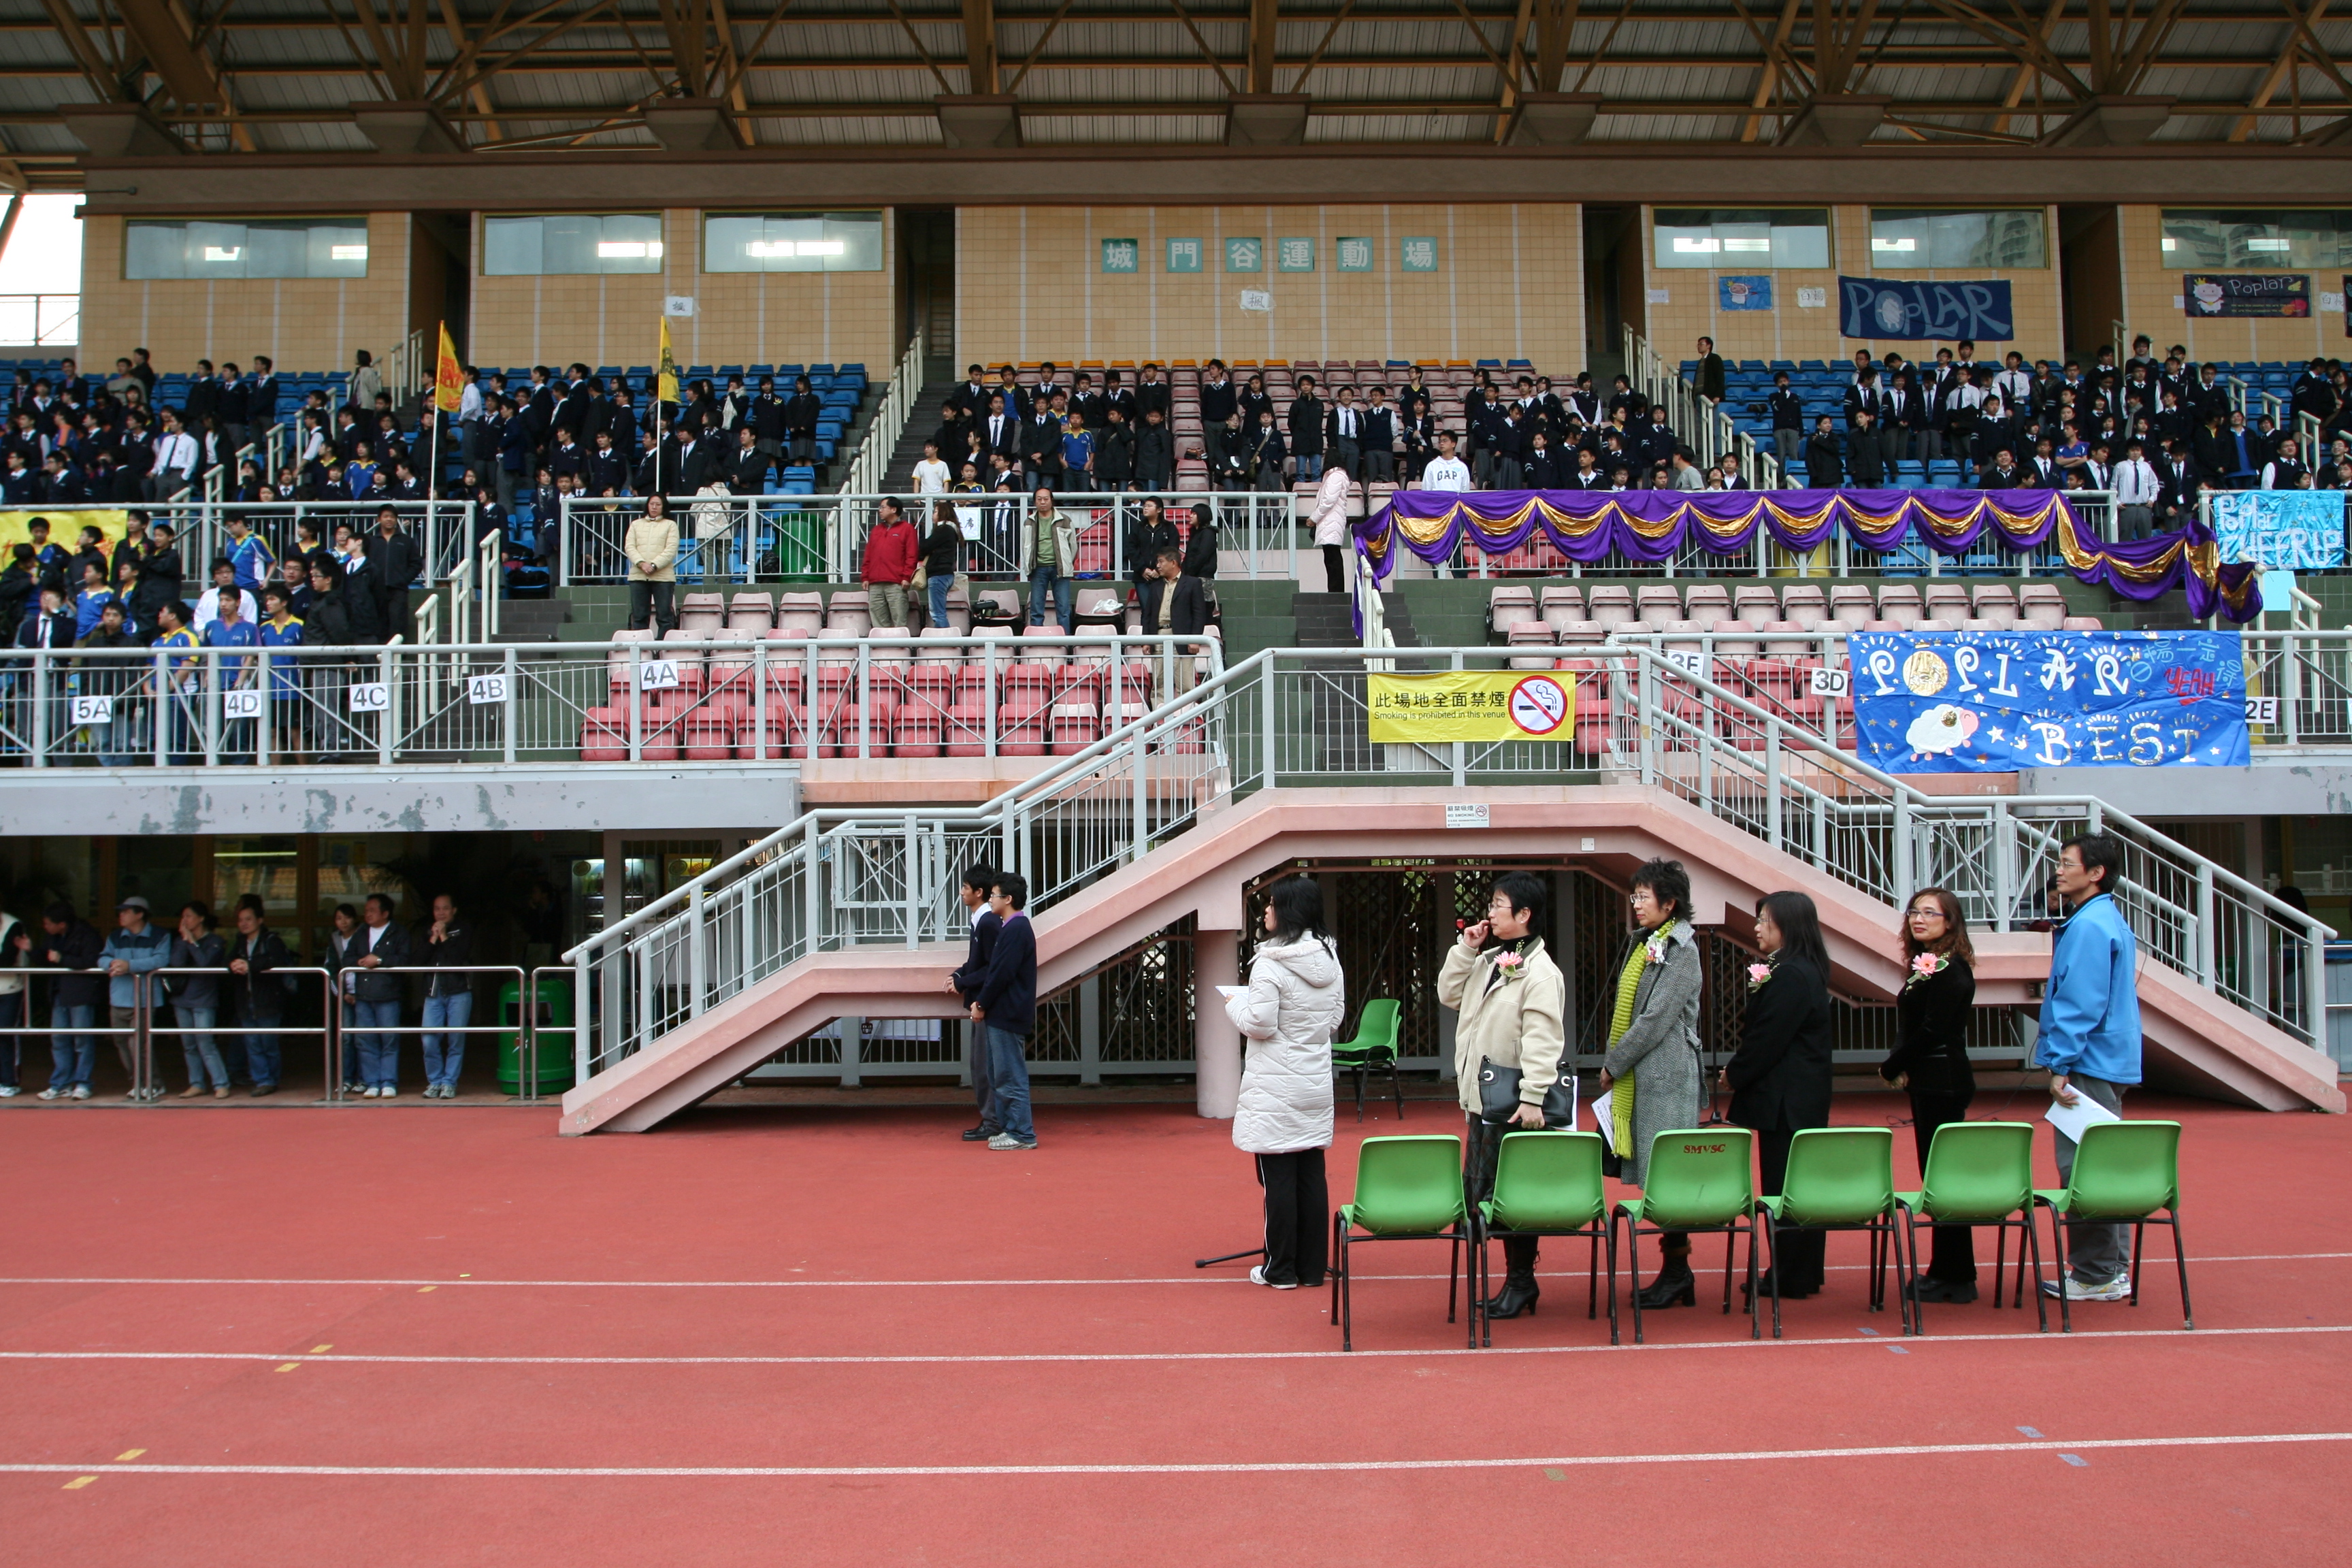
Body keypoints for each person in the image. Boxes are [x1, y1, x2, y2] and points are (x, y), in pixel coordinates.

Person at [1438, 870, 1569, 1320]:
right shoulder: (1491, 959)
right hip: (1485, 1098)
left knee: (1513, 1195)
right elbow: (1449, 994)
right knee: (1486, 1194)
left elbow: (1543, 1040)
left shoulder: (1541, 972)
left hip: (1515, 1103)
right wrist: (1466, 949)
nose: (1490, 913)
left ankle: (1521, 1280)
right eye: (1491, 904)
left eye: (1498, 905)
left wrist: (1533, 1096)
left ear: (1524, 914)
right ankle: (1516, 1281)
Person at [2036, 832, 2143, 1303]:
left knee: (2081, 1169)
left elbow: (2080, 1002)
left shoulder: (2088, 926)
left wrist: (2059, 1062)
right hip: (2107, 1058)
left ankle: (2096, 1273)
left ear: (2096, 873)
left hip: (2088, 1062)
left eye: (2067, 863)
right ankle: (2109, 1269)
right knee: (2102, 1166)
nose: (2058, 871)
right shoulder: (2105, 918)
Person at [1226, 875, 1344, 1290]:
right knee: (1311, 1174)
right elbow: (1334, 1019)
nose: (1266, 911)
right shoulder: (1330, 958)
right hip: (1314, 1080)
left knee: (1277, 1177)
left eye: (1272, 904)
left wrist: (1234, 1006)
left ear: (1288, 911)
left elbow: (1259, 1024)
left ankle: (1279, 1269)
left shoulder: (1270, 962)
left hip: (1275, 1084)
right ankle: (1311, 1268)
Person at [1599, 858, 1706, 1309]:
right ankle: (1676, 1271)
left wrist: (1614, 1064)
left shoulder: (1682, 949)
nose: (1637, 904)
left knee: (1668, 1177)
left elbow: (1655, 1019)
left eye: (1644, 897)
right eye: (1636, 896)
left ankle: (1678, 1271)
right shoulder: (1647, 942)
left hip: (1668, 1076)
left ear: (1670, 903)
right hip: (1647, 1076)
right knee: (1660, 1178)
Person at [1722, 891, 1834, 1301]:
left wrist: (1736, 1074)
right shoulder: (1803, 968)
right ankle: (1801, 1271)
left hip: (1788, 1100)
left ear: (1786, 925)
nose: (1757, 928)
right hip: (1801, 1096)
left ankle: (1790, 1274)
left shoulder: (1790, 974)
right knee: (1801, 1186)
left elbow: (1768, 1037)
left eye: (1764, 920)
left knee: (1784, 1188)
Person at [1880, 886, 1979, 1303]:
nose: (1918, 919)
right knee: (1937, 1177)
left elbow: (1933, 1030)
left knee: (1944, 1178)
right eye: (1913, 912)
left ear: (1950, 921)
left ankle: (1956, 1275)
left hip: (1944, 1079)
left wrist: (1893, 1064)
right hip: (1930, 1078)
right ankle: (1948, 1269)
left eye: (1930, 913)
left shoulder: (1950, 970)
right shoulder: (1930, 965)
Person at [968, 871, 1037, 1151]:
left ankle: (1022, 1133)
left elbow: (1001, 974)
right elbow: (998, 972)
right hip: (1003, 1013)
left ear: (1008, 899)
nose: (991, 899)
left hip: (1008, 1013)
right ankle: (1011, 1129)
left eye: (995, 895)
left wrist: (981, 1003)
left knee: (1010, 1076)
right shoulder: (1012, 927)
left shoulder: (1016, 929)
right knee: (1001, 1075)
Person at [946, 864, 1003, 1142]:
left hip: (985, 1004)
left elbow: (993, 967)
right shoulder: (982, 921)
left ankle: (993, 1121)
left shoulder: (988, 922)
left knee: (984, 1067)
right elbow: (977, 962)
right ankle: (991, 1119)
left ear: (979, 892)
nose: (961, 893)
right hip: (980, 1002)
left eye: (965, 888)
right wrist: (960, 976)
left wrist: (964, 982)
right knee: (980, 1065)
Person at [99, 894, 173, 1100]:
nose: (121, 915)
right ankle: (138, 1082)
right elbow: (102, 957)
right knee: (122, 1042)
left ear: (140, 914)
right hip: (118, 998)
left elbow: (161, 960)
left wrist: (129, 966)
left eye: (126, 911)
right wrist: (112, 964)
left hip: (145, 999)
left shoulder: (160, 935)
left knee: (139, 1045)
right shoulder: (115, 936)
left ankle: (154, 1084)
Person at [34, 902, 105, 1099]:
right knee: (59, 1039)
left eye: (48, 923)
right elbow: (46, 959)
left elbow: (92, 961)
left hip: (81, 994)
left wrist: (63, 959)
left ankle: (83, 1083)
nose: (45, 927)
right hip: (59, 993)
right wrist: (31, 950)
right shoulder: (53, 936)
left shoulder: (87, 935)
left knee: (82, 1040)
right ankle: (61, 1084)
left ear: (62, 924)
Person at [224, 898, 291, 1095]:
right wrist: (233, 965)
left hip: (268, 1000)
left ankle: (272, 1080)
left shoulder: (271, 940)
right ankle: (262, 1080)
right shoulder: (240, 942)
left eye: (248, 919)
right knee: (252, 1043)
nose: (244, 923)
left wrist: (250, 966)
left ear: (259, 920)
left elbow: (276, 961)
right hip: (246, 1001)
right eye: (240, 920)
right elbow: (227, 960)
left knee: (268, 1043)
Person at [348, 892, 412, 1097]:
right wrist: (359, 962)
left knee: (389, 1040)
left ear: (385, 913)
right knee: (365, 1040)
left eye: (372, 910)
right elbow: (347, 957)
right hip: (364, 997)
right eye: (366, 910)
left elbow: (405, 960)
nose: (367, 914)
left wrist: (380, 961)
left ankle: (388, 1083)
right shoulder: (361, 932)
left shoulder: (398, 932)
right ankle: (372, 1083)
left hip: (388, 996)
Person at [167, 900, 230, 1099]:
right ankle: (197, 1084)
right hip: (181, 1000)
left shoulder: (215, 941)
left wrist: (192, 942)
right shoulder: (180, 940)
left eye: (189, 916)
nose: (184, 920)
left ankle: (221, 1084)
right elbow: (176, 964)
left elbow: (204, 964)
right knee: (189, 1045)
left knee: (206, 1043)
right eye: (183, 917)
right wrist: (185, 940)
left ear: (201, 918)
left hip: (204, 1000)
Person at [417, 893, 474, 1099]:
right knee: (429, 1040)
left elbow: (458, 958)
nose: (441, 913)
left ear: (454, 910)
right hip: (434, 992)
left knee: (455, 1040)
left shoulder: (464, 929)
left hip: (459, 991)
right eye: (437, 909)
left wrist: (444, 937)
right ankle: (435, 1081)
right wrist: (433, 938)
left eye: (445, 908)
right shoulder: (428, 930)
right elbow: (418, 960)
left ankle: (449, 1083)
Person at [1136, 548, 1209, 698]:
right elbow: (1147, 614)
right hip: (1158, 636)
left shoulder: (1192, 583)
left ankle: (1187, 713)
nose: (1158, 566)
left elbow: (1199, 613)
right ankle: (1159, 713)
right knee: (1159, 684)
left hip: (1183, 637)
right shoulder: (1155, 586)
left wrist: (1194, 639)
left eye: (1161, 562)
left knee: (1186, 685)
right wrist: (1146, 640)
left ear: (1173, 562)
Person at [1020, 487, 1078, 633]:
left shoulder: (1064, 520)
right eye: (1039, 499)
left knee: (1063, 609)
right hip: (1038, 569)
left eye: (1046, 499)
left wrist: (1066, 562)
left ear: (1052, 500)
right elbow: (1024, 546)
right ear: (1035, 502)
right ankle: (1036, 640)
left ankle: (1065, 642)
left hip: (1060, 569)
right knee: (1036, 609)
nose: (1043, 502)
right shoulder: (1029, 522)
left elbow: (1073, 546)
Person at [624, 492, 679, 635]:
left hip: (663, 577)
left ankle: (663, 646)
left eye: (658, 504)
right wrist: (641, 563)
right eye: (652, 504)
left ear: (663, 506)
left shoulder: (670, 525)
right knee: (639, 616)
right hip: (638, 576)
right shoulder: (636, 524)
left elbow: (671, 550)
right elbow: (630, 547)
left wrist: (654, 565)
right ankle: (641, 645)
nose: (654, 507)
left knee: (665, 616)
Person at [862, 497, 920, 630]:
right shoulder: (876, 530)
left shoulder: (907, 529)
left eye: (883, 507)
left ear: (894, 509)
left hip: (896, 583)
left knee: (899, 622)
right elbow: (868, 554)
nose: (880, 510)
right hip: (875, 583)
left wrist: (907, 577)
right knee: (878, 623)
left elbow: (911, 555)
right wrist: (865, 576)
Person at [1308, 461, 1352, 594]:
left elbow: (1328, 500)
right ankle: (1335, 590)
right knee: (1332, 557)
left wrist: (1314, 518)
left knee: (1332, 558)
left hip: (1331, 520)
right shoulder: (1338, 476)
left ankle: (1336, 591)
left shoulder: (1335, 476)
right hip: (1333, 520)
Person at [0, 903, 29, 1097]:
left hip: (10, 989)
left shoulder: (13, 925)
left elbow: (7, 959)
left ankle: (9, 1081)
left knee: (5, 1034)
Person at [920, 502, 962, 630]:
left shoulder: (944, 529)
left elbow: (924, 547)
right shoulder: (952, 530)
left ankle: (944, 638)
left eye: (935, 512)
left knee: (938, 613)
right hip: (946, 573)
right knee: (939, 611)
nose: (933, 515)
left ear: (943, 513)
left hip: (938, 574)